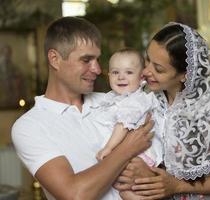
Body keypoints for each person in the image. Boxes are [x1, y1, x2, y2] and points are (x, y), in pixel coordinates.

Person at [11, 16, 153, 200]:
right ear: (55, 59)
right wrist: (126, 149)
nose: (96, 69)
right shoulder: (29, 126)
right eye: (86, 60)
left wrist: (148, 174)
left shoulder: (115, 101)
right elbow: (75, 194)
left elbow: (158, 156)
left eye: (97, 59)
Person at [115, 22, 210, 200]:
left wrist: (177, 185)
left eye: (158, 69)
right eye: (147, 60)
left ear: (185, 74)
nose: (146, 72)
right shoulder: (146, 98)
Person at [95, 48, 162, 168]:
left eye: (129, 72)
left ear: (141, 77)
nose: (121, 77)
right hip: (121, 151)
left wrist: (108, 148)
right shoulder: (112, 98)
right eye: (115, 72)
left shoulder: (137, 100)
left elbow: (123, 125)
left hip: (139, 155)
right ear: (109, 75)